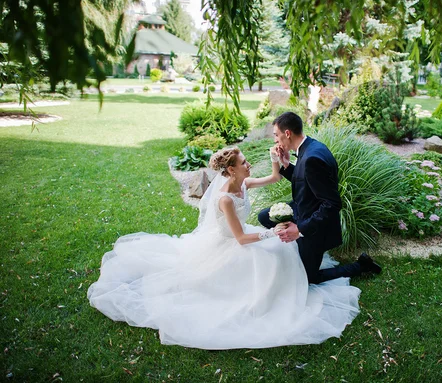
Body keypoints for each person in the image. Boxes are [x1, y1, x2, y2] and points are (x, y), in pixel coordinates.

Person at [87, 147, 360, 350]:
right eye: (244, 163)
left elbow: (275, 178)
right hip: (233, 243)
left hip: (248, 236)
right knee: (274, 254)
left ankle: (287, 289)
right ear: (230, 170)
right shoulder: (226, 199)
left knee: (282, 251)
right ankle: (272, 298)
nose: (248, 165)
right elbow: (240, 239)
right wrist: (272, 232)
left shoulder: (243, 183)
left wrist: (276, 158)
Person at [258, 112, 382, 284]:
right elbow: (306, 180)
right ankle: (298, 247)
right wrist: (286, 164)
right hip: (304, 207)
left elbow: (332, 204)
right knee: (265, 216)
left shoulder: (311, 158)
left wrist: (299, 229)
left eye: (276, 135)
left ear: (287, 134)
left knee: (308, 278)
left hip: (316, 225)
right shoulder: (309, 147)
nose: (275, 141)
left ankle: (361, 265)